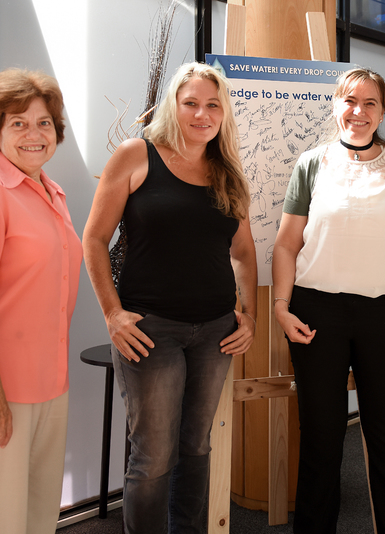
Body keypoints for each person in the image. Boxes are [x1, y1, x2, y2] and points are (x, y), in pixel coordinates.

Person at [83, 62, 257, 534]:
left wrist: (249, 314)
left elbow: (242, 251)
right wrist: (112, 313)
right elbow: (94, 238)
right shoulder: (136, 155)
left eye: (212, 105)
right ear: (172, 106)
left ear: (223, 114)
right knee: (154, 457)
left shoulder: (227, 171)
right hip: (151, 330)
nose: (202, 114)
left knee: (195, 447)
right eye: (191, 104)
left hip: (216, 331)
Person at [272, 67, 385, 534]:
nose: (358, 112)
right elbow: (285, 244)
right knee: (321, 437)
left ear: (382, 112)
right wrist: (281, 306)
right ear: (336, 105)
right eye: (350, 101)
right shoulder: (312, 163)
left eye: (370, 104)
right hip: (317, 312)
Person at [0, 68, 81, 534]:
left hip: (49, 383)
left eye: (44, 122)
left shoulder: (51, 192)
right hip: (0, 387)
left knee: (38, 518)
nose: (34, 133)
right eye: (18, 123)